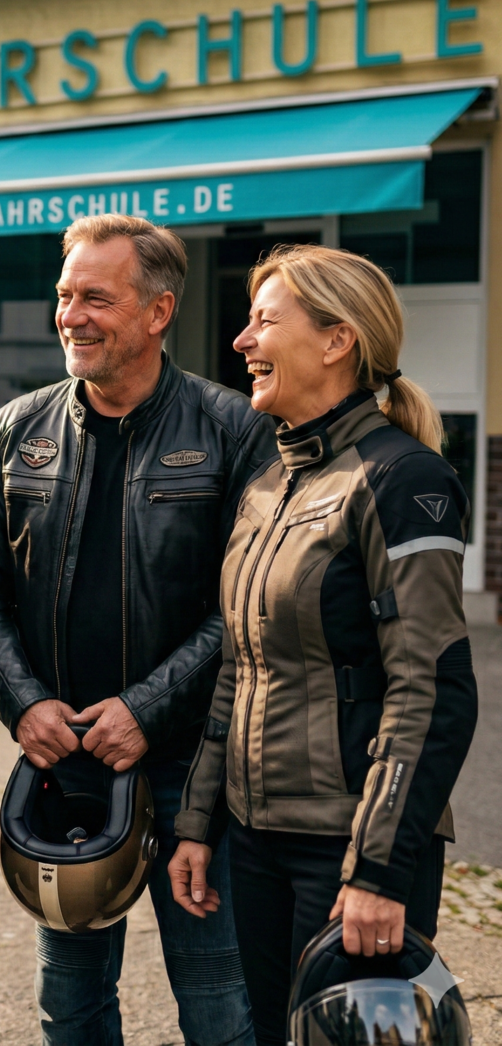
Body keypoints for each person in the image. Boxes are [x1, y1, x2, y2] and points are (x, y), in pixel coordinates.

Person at [0, 213, 274, 1046]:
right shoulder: (16, 429)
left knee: (217, 1002)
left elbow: (247, 602)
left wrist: (147, 709)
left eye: (95, 297)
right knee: (70, 1001)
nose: (71, 315)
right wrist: (24, 706)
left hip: (191, 768)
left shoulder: (231, 429)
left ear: (158, 311)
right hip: (63, 762)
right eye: (64, 296)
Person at [168, 245, 479, 1046]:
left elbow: (432, 688)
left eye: (264, 321)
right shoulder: (269, 484)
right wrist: (200, 822)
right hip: (258, 841)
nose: (240, 341)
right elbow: (239, 668)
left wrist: (378, 872)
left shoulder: (405, 479)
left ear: (338, 340)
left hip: (351, 850)